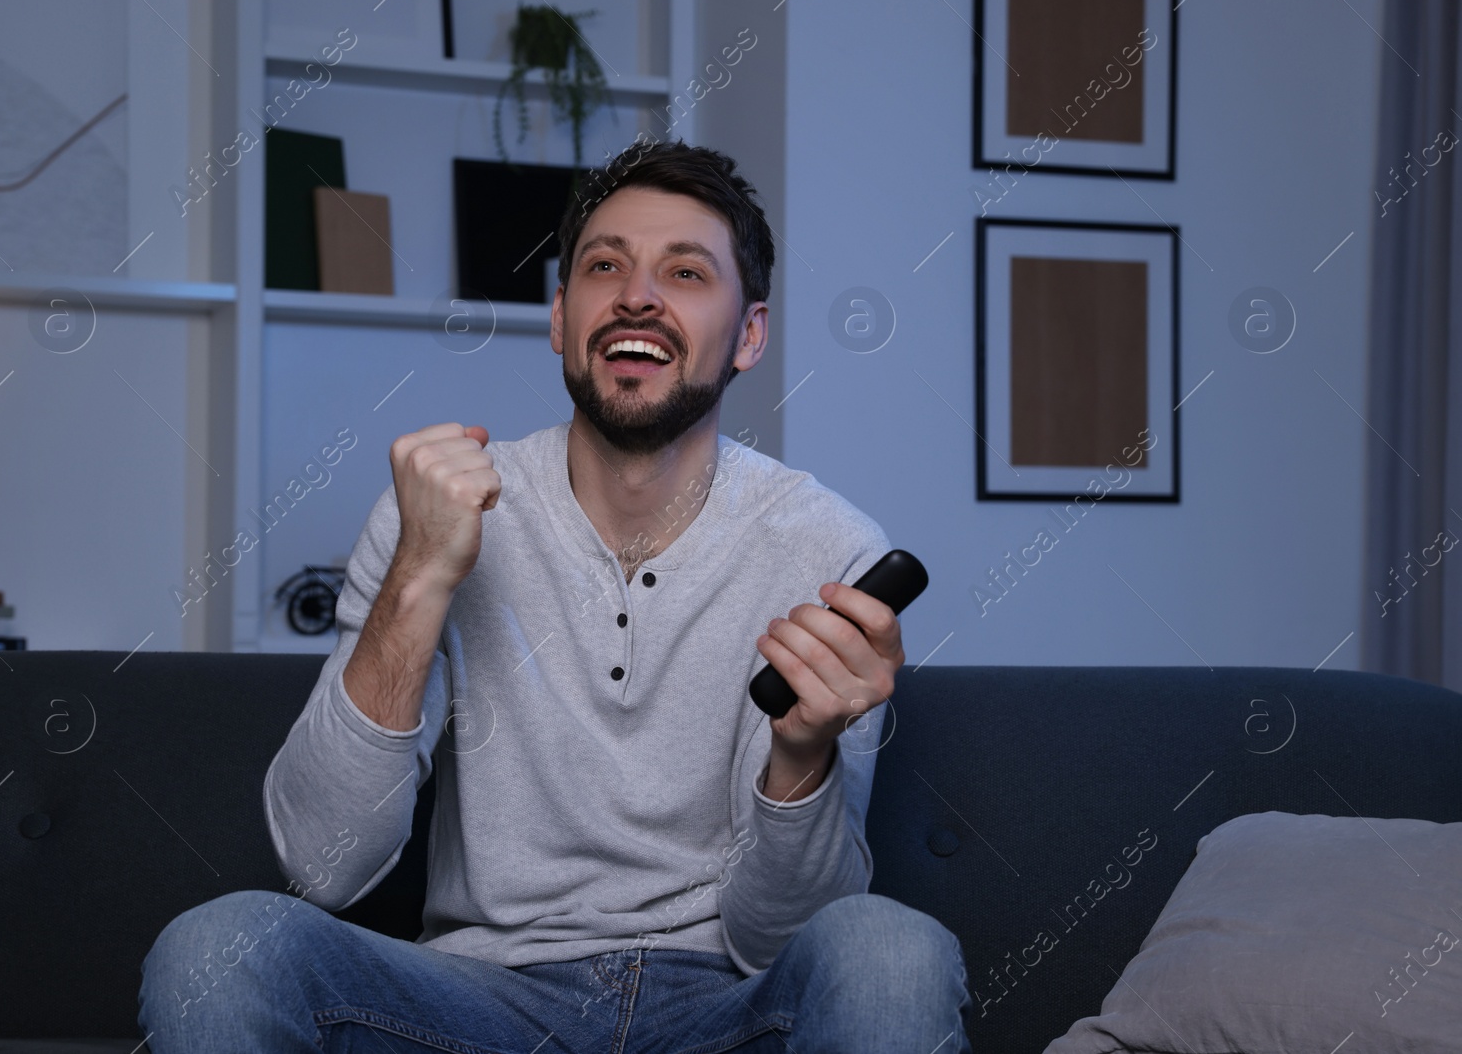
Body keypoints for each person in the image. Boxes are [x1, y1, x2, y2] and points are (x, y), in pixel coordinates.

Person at [138, 138, 970, 1052]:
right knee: (217, 946)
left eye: (686, 271)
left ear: (752, 334)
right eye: (604, 265)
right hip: (480, 999)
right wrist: (420, 576)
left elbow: (778, 934)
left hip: (724, 1011)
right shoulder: (435, 511)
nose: (637, 294)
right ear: (562, 315)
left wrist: (803, 751)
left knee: (891, 947)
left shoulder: (830, 548)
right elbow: (322, 865)